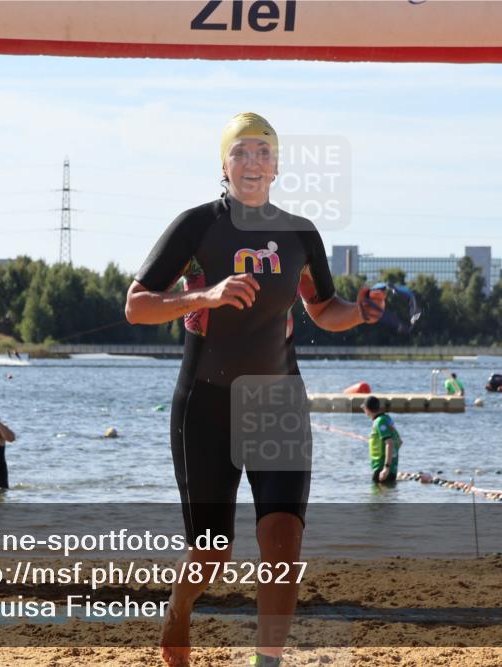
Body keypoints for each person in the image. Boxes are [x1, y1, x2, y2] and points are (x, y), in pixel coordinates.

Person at [124, 112, 386, 667]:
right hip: (206, 405)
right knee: (211, 554)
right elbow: (137, 305)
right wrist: (205, 296)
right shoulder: (196, 227)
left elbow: (324, 309)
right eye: (240, 152)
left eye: (263, 152)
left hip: (278, 402)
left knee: (283, 539)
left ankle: (267, 660)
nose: (252, 162)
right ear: (223, 165)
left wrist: (359, 312)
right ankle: (178, 610)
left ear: (277, 166)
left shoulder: (299, 234)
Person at [363, 395, 401, 484]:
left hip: (381, 469)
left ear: (367, 409)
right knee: (389, 492)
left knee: (377, 492)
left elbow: (390, 443)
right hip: (392, 469)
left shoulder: (379, 422)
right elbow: (399, 441)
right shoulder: (387, 419)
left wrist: (386, 467)